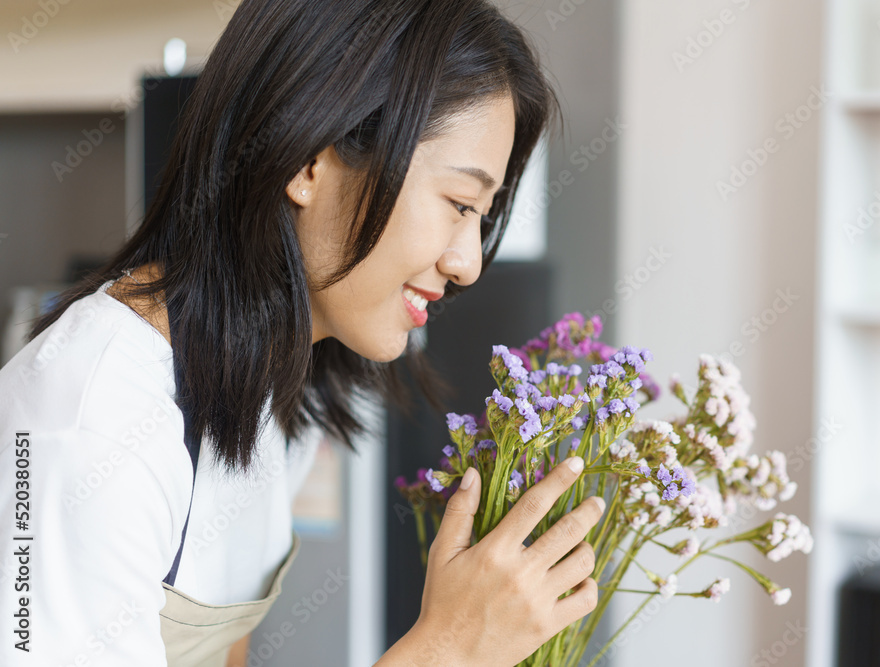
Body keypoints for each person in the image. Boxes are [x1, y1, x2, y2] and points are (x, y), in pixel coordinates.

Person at [0, 0, 605, 665]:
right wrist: (450, 649)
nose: (468, 262)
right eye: (459, 203)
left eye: (481, 216)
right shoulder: (92, 418)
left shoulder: (269, 387)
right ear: (307, 163)